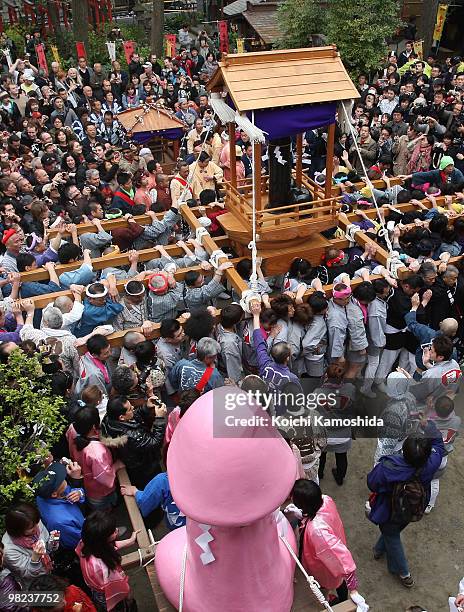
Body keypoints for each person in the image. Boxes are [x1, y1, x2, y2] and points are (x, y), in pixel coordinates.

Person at [367, 419, 445, 587]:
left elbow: (372, 483)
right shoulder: (430, 464)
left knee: (391, 534)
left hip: (389, 509)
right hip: (413, 507)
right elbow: (439, 445)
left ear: (403, 450)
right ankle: (379, 550)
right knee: (392, 531)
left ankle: (403, 573)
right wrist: (430, 427)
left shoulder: (388, 467)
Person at [291, 479, 366, 607]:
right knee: (339, 580)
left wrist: (353, 588)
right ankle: (342, 599)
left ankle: (335, 602)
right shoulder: (325, 499)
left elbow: (342, 559)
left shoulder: (317, 531)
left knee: (328, 584)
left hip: (324, 567)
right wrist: (303, 516)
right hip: (335, 541)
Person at [76, 511, 139, 611]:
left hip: (97, 590)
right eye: (113, 532)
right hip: (108, 595)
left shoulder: (85, 543)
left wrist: (131, 541)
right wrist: (128, 595)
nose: (117, 530)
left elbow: (109, 546)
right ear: (103, 539)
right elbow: (119, 589)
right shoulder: (104, 568)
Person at [2, 502, 53, 589]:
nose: (37, 527)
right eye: (32, 528)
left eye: (37, 522)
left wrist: (53, 543)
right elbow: (28, 575)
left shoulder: (34, 522)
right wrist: (35, 559)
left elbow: (47, 548)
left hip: (48, 569)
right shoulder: (9, 550)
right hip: (35, 584)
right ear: (17, 530)